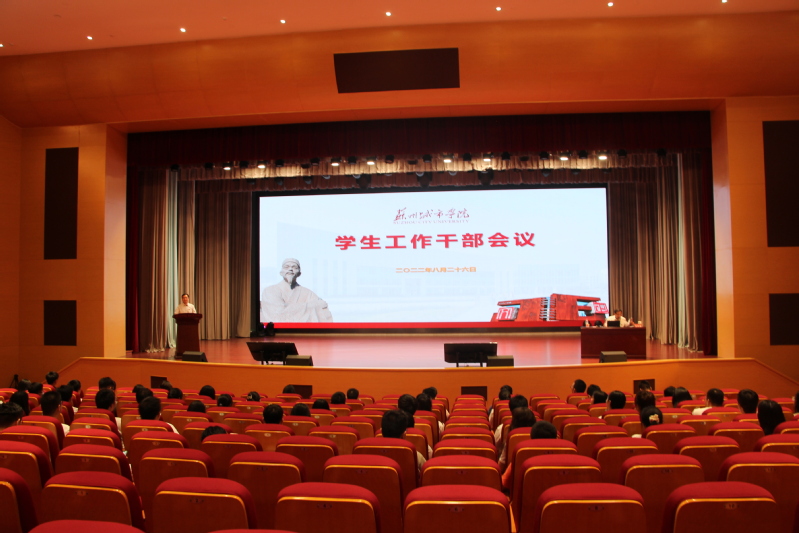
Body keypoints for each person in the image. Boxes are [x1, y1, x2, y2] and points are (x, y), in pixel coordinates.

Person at [260, 258, 333, 323]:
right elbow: (277, 315)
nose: (290, 269)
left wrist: (316, 306)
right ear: (281, 272)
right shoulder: (270, 291)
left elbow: (322, 309)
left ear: (299, 273)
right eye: (286, 267)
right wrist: (310, 306)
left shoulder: (308, 293)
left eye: (294, 267)